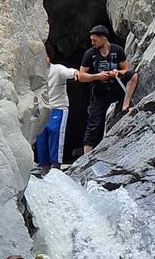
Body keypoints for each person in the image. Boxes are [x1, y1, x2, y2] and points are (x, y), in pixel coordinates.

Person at [78, 25, 133, 154]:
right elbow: (81, 76)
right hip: (99, 91)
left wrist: (117, 72)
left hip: (115, 87)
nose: (92, 43)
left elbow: (126, 69)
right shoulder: (90, 54)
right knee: (94, 125)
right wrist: (97, 76)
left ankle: (125, 106)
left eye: (95, 40)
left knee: (133, 75)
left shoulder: (117, 50)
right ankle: (86, 157)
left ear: (104, 38)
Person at [33, 41, 77, 174]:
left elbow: (69, 72)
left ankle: (56, 165)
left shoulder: (57, 69)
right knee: (41, 137)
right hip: (41, 110)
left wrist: (77, 73)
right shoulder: (34, 72)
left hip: (58, 107)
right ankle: (45, 168)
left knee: (54, 132)